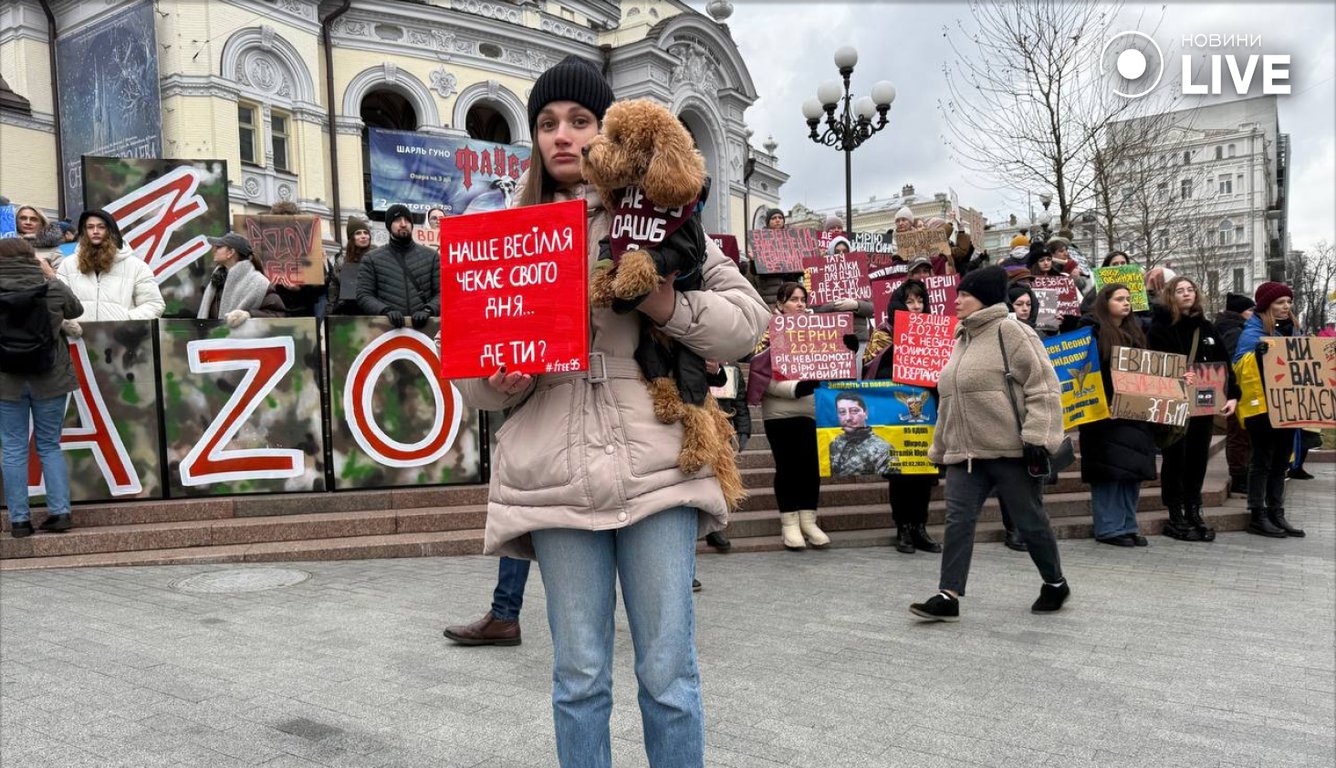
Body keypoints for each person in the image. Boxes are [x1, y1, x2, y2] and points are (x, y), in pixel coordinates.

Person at [450, 56, 769, 768]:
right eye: (546, 123)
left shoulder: (663, 220)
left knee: (669, 678)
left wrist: (664, 302)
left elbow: (749, 322)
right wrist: (502, 380)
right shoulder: (504, 237)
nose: (563, 136)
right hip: (553, 478)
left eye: (580, 121)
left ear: (608, 130)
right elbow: (468, 379)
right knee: (578, 679)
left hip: (656, 468)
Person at [908, 266, 1068, 622]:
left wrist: (1038, 436)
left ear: (984, 298)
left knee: (1030, 521)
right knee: (957, 519)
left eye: (965, 294)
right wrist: (940, 447)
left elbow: (1043, 386)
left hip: (1011, 452)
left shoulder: (1012, 332)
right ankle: (947, 594)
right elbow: (950, 399)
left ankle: (1055, 583)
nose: (957, 300)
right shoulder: (960, 338)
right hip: (966, 454)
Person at [0, 237, 83, 538]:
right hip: (50, 377)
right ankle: (60, 514)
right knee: (49, 445)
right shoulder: (52, 287)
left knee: (12, 448)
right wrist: (51, 276)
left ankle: (19, 522)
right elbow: (75, 310)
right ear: (32, 258)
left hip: (6, 381)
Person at [1148, 276, 1239, 542]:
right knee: (1175, 458)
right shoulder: (1160, 328)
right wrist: (1179, 374)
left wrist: (1232, 395)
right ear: (1170, 295)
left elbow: (1224, 363)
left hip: (1203, 404)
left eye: (1190, 290)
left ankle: (1194, 509)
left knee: (1198, 458)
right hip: (1175, 403)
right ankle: (1175, 512)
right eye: (1180, 290)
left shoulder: (1206, 327)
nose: (1187, 294)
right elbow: (1154, 365)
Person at [748, 281, 832, 551]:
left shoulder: (817, 331)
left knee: (810, 468)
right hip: (780, 413)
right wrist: (796, 388)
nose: (800, 304)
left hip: (810, 411)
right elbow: (762, 379)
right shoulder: (769, 333)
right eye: (794, 299)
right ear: (780, 304)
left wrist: (846, 348)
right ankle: (789, 524)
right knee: (788, 467)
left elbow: (833, 364)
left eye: (803, 299)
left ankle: (808, 520)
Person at [862, 278, 942, 555]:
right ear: (899, 303)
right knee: (900, 473)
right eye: (910, 301)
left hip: (928, 413)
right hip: (896, 414)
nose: (917, 306)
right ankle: (903, 528)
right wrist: (900, 353)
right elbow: (872, 373)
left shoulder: (936, 333)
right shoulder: (884, 333)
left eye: (920, 301)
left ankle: (920, 527)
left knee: (924, 472)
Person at [1078, 284, 1155, 547]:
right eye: (1119, 299)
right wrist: (1101, 404)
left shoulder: (1136, 332)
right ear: (1104, 302)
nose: (1126, 303)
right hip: (1104, 416)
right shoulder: (1093, 332)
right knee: (1109, 474)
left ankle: (1128, 524)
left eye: (1128, 299)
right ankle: (1109, 528)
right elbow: (1085, 373)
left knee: (1132, 473)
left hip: (1134, 413)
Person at [1234, 281, 1304, 538]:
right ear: (1266, 306)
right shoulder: (1251, 333)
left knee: (1280, 462)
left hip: (1288, 406)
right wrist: (1258, 355)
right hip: (1262, 407)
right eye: (1280, 303)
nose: (1286, 307)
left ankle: (1277, 512)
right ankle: (1257, 513)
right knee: (1261, 461)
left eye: (1288, 302)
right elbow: (1239, 364)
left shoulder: (1294, 331)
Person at [56, 209, 164, 321]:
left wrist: (127, 320)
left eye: (101, 227)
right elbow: (57, 303)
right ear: (84, 231)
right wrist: (71, 325)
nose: (95, 231)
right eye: (90, 227)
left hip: (119, 336)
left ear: (110, 231)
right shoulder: (68, 264)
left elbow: (153, 304)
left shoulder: (136, 266)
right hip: (79, 336)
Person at [357, 203, 439, 328]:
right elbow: (364, 295)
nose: (403, 224)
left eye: (407, 220)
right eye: (397, 220)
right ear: (389, 226)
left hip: (425, 330)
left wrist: (429, 310)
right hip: (387, 331)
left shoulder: (431, 256)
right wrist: (385, 310)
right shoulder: (371, 259)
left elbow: (442, 293)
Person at [197, 233, 288, 324]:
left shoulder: (259, 283)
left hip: (240, 337)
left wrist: (249, 315)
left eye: (219, 247)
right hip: (213, 337)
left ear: (231, 252)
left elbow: (279, 316)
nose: (213, 250)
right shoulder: (216, 280)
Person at [1215, 293, 1255, 494]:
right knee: (1238, 434)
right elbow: (1233, 364)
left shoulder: (1235, 329)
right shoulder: (1234, 332)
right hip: (1236, 389)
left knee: (1239, 434)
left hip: (1236, 389)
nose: (1253, 314)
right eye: (1250, 310)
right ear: (1241, 312)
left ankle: (1241, 474)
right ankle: (1239, 477)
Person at [812, 235, 875, 357]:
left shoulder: (861, 275)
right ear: (830, 253)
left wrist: (856, 304)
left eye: (845, 251)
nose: (841, 255)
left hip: (858, 336)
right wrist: (834, 305)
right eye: (837, 252)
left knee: (858, 374)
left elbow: (872, 308)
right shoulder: (819, 275)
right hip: (831, 337)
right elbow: (814, 308)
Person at [828, 390, 893, 476]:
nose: (848, 418)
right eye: (842, 412)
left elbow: (886, 485)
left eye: (854, 411)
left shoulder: (883, 449)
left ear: (865, 413)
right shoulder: (835, 444)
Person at [326, 217, 372, 316]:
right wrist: (331, 312)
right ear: (351, 238)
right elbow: (334, 288)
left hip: (372, 312)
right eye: (358, 233)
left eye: (366, 233)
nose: (363, 236)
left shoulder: (377, 258)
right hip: (348, 314)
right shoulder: (342, 262)